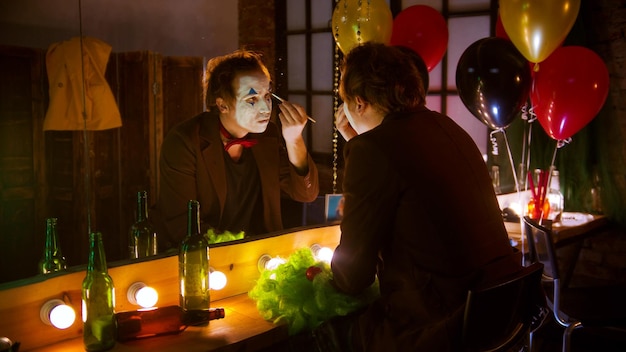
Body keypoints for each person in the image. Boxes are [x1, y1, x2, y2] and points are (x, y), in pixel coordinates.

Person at [327, 43, 523, 351]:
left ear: (359, 104)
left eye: (344, 102)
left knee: (325, 329)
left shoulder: (372, 150)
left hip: (441, 324)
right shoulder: (449, 127)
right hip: (501, 308)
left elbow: (353, 277)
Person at [153, 49, 319, 250]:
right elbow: (181, 225)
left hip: (261, 254)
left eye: (267, 96)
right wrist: (239, 249)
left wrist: (294, 139)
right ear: (222, 105)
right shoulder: (185, 141)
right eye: (252, 100)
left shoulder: (268, 135)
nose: (266, 108)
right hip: (203, 256)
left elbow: (306, 194)